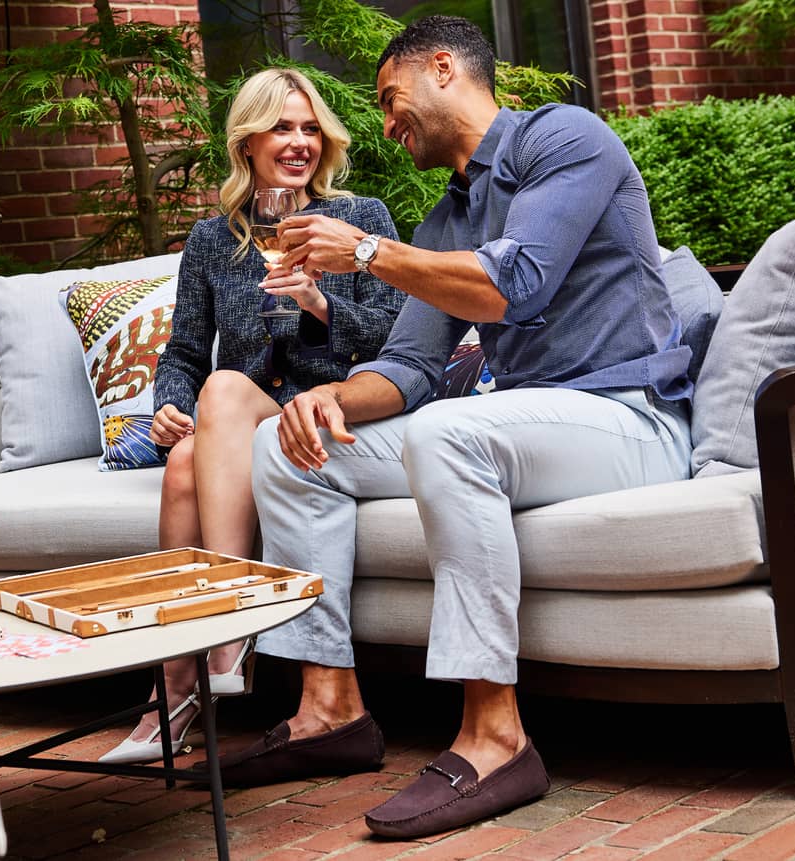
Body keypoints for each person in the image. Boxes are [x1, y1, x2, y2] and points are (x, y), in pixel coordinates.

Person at [202, 16, 695, 838]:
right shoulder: (446, 219)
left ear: (442, 68)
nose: (386, 126)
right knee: (284, 446)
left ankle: (497, 736)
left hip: (627, 418)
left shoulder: (565, 138)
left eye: (392, 101)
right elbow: (410, 368)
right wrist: (331, 403)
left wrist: (362, 253)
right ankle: (331, 707)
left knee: (448, 432)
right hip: (532, 429)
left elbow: (515, 286)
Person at [98, 68, 406, 764]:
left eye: (309, 129)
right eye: (281, 127)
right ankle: (175, 693)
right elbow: (180, 352)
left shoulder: (361, 221)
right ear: (248, 143)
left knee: (228, 392)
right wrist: (171, 406)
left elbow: (398, 337)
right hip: (243, 418)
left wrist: (323, 306)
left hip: (328, 409)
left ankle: (227, 625)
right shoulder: (213, 240)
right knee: (181, 457)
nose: (298, 143)